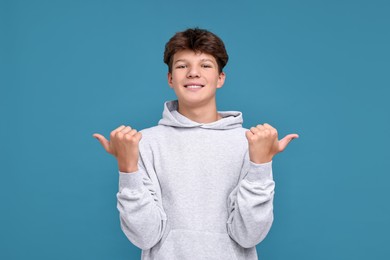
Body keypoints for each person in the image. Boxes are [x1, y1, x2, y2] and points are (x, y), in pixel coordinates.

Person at [93, 28, 298, 260]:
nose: (193, 73)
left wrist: (260, 165)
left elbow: (249, 236)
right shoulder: (143, 142)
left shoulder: (250, 143)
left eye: (205, 65)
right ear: (170, 78)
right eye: (182, 66)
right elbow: (144, 237)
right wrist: (127, 168)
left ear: (221, 78)